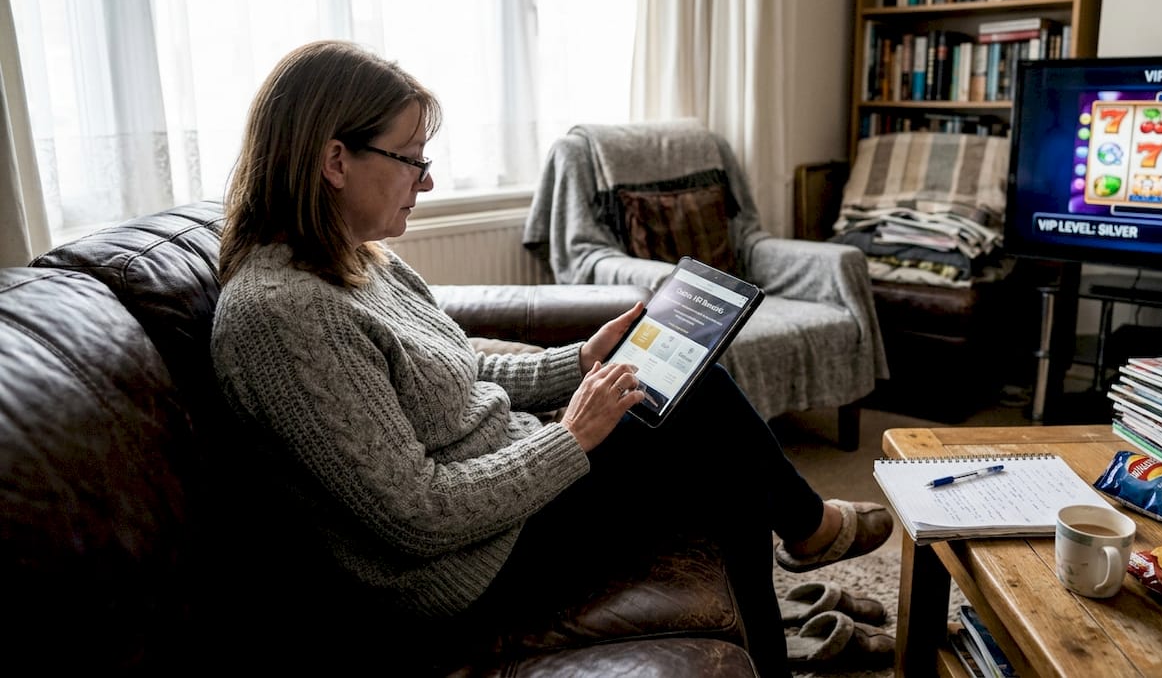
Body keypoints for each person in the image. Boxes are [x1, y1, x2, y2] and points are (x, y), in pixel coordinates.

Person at [210, 40, 893, 676]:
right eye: (412, 158)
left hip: (502, 495)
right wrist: (571, 436)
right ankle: (808, 532)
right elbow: (416, 515)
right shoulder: (281, 314)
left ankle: (779, 611)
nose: (428, 180)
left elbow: (455, 368)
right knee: (703, 414)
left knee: (688, 405)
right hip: (462, 567)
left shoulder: (358, 261)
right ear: (335, 161)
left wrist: (580, 362)